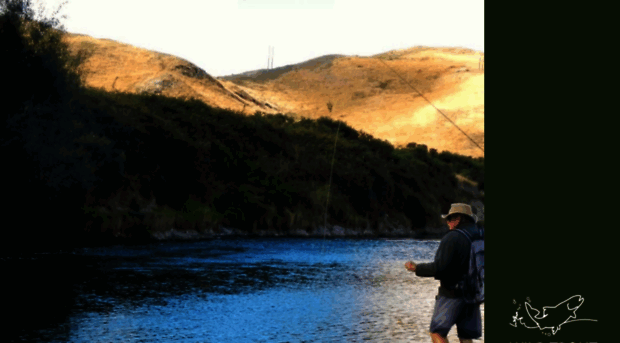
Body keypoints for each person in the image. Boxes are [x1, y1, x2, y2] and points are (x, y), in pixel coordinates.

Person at [405, 203, 482, 343]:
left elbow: (440, 268)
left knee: (437, 333)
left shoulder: (452, 237)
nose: (447, 223)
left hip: (452, 294)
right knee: (465, 337)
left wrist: (417, 268)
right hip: (474, 295)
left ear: (457, 219)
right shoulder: (480, 235)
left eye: (449, 219)